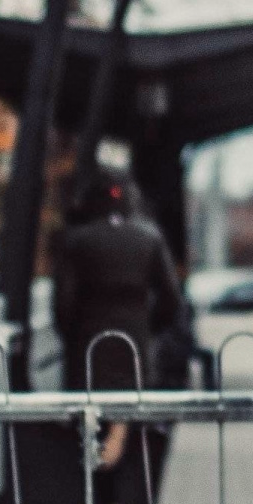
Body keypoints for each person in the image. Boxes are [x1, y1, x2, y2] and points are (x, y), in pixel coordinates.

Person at [52, 173, 182, 468]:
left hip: (88, 342)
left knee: (89, 417)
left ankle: (96, 492)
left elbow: (63, 304)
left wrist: (73, 337)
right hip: (135, 339)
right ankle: (125, 498)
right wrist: (150, 328)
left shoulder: (76, 241)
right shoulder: (150, 237)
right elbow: (171, 298)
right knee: (130, 415)